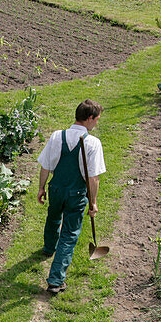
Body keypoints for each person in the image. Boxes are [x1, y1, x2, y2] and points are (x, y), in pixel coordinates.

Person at [36, 99, 105, 295]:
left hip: (56, 188)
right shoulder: (92, 143)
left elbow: (45, 165)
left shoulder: (57, 136)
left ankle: (49, 248)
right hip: (76, 194)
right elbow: (93, 177)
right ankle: (56, 280)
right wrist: (93, 202)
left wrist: (41, 188)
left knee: (53, 217)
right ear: (89, 118)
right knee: (69, 233)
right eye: (97, 119)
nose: (97, 123)